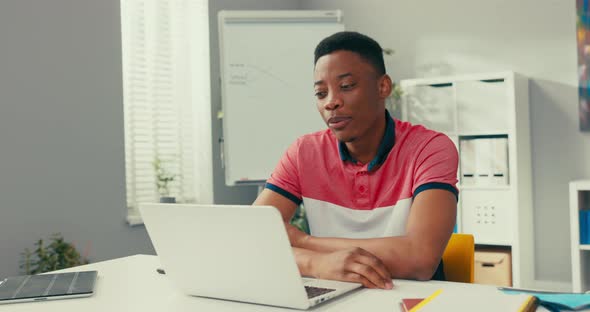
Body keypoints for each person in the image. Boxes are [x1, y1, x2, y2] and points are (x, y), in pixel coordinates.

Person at [253, 31, 458, 290]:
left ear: (383, 87)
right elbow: (253, 238)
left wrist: (303, 241)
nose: (331, 102)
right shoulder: (303, 152)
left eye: (346, 87)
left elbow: (420, 258)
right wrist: (315, 264)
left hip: (411, 298)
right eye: (320, 93)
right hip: (336, 297)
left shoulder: (430, 148)